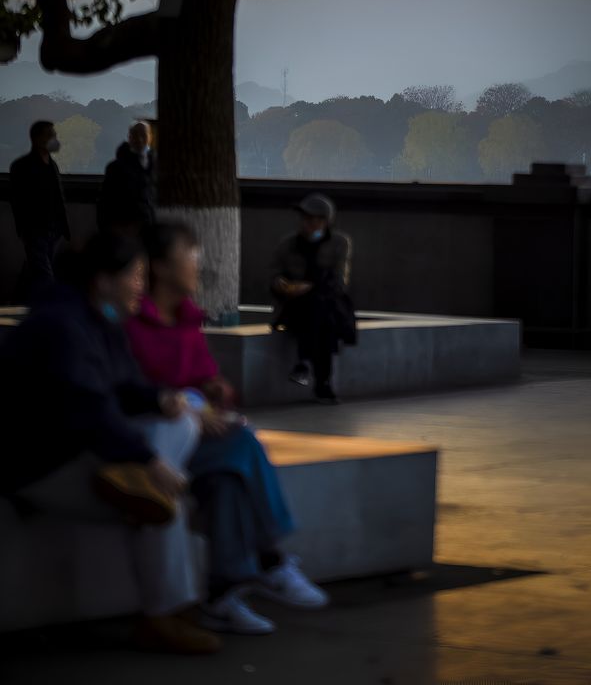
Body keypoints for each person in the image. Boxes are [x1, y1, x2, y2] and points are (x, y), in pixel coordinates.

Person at [0, 232, 220, 655]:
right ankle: (162, 614)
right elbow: (85, 405)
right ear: (102, 280)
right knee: (159, 504)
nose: (143, 284)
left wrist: (160, 398)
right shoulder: (61, 325)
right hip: (39, 462)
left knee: (182, 422)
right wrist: (148, 459)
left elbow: (122, 386)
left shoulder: (100, 318)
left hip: (80, 449)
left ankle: (136, 489)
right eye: (135, 275)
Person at [126, 222, 329, 635]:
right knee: (244, 444)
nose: (198, 262)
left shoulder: (186, 318)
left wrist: (215, 392)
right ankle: (270, 558)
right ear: (162, 267)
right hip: (151, 443)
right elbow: (134, 391)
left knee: (226, 481)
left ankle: (222, 594)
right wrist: (190, 405)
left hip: (192, 442)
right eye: (190, 253)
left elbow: (204, 380)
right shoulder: (133, 324)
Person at [270, 194, 356, 404]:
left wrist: (310, 286)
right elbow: (274, 274)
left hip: (327, 303)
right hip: (293, 305)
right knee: (316, 313)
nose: (308, 224)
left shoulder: (339, 243)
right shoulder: (288, 244)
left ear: (326, 221)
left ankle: (303, 363)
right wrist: (282, 284)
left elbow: (339, 282)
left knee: (319, 308)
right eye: (305, 218)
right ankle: (321, 383)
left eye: (314, 219)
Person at [9, 121, 70, 299]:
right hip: (35, 231)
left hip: (54, 230)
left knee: (34, 271)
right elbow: (17, 200)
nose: (54, 139)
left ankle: (18, 302)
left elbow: (58, 198)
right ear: (37, 139)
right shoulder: (21, 166)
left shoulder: (52, 165)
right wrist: (24, 229)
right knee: (45, 274)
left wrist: (63, 227)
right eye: (50, 135)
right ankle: (50, 309)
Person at [97, 122, 156, 235]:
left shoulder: (156, 163)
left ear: (150, 137)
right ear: (129, 137)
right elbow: (105, 200)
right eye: (135, 135)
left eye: (143, 135)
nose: (139, 139)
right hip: (125, 227)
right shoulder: (116, 167)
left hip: (149, 226)